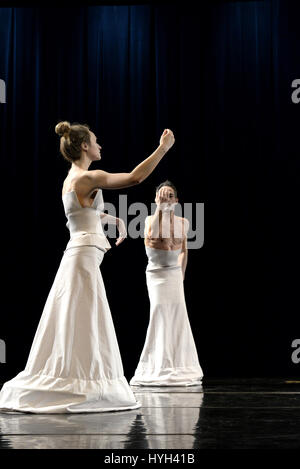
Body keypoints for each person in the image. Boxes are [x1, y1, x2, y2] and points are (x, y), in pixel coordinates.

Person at [0, 122, 174, 413]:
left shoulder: (72, 179)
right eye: (95, 141)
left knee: (74, 318)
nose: (99, 145)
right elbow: (135, 178)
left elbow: (81, 215)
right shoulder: (89, 176)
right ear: (84, 147)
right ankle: (80, 383)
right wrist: (163, 148)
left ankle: (74, 377)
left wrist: (111, 219)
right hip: (82, 258)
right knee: (83, 318)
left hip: (79, 253)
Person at [130, 181, 203, 386]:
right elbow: (153, 234)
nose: (167, 199)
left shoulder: (183, 222)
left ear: (177, 201)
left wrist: (181, 275)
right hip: (157, 273)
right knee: (160, 313)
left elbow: (183, 251)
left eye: (170, 196)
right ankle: (156, 365)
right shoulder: (149, 220)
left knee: (178, 315)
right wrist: (160, 209)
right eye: (163, 196)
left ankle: (181, 365)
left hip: (174, 274)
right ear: (156, 199)